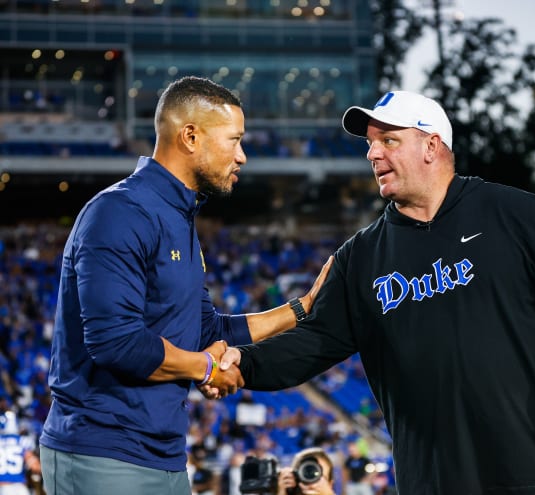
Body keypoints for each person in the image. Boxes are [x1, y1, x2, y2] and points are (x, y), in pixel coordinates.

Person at [216, 90, 535, 494]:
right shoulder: (360, 258)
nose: (373, 154)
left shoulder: (509, 212)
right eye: (371, 144)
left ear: (432, 146)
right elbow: (313, 342)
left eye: (388, 141)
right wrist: (243, 364)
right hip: (435, 482)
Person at [38, 75, 332, 495]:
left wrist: (301, 309)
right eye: (234, 140)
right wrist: (208, 367)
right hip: (103, 454)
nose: (242, 156)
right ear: (190, 136)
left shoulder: (180, 220)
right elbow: (115, 341)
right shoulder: (121, 212)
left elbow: (206, 330)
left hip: (166, 457)